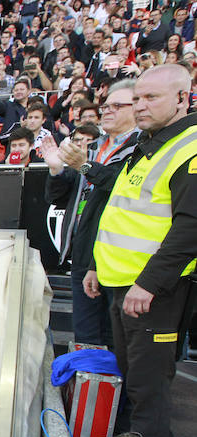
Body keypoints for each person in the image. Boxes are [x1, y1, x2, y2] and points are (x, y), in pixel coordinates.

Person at [84, 64, 197, 437]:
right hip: (122, 286)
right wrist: (99, 265)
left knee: (150, 388)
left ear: (182, 98)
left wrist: (148, 283)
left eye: (151, 98)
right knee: (133, 378)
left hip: (153, 293)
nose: (141, 106)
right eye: (136, 99)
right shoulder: (150, 144)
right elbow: (125, 215)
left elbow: (190, 228)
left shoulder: (189, 147)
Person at [42, 79, 139, 346]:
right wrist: (56, 169)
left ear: (138, 107)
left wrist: (84, 165)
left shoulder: (142, 147)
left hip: (119, 256)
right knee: (85, 336)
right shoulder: (95, 148)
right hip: (84, 253)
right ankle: (90, 386)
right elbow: (58, 196)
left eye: (117, 105)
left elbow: (119, 186)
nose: (107, 110)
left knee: (116, 338)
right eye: (106, 105)